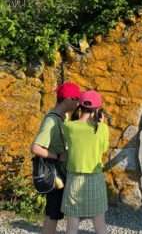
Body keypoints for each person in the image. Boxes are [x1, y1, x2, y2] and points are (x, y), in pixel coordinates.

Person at [31, 82, 82, 234]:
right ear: (67, 100)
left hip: (57, 172)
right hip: (54, 174)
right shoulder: (51, 121)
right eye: (76, 99)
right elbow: (35, 148)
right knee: (53, 213)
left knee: (55, 213)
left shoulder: (60, 118)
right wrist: (59, 156)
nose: (78, 103)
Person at [61, 90, 109, 234]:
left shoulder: (69, 126)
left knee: (72, 226)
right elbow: (104, 149)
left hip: (74, 178)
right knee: (100, 224)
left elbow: (68, 145)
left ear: (80, 106)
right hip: (95, 178)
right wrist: (101, 124)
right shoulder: (103, 128)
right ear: (97, 108)